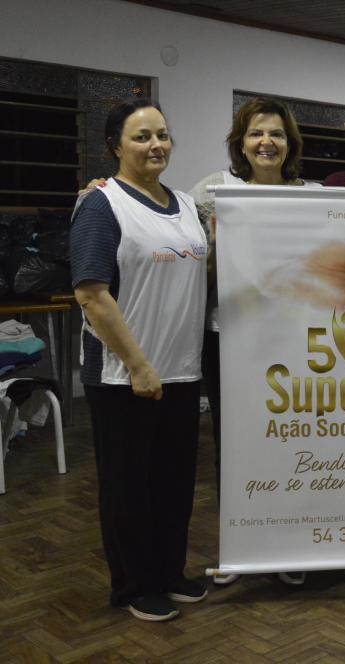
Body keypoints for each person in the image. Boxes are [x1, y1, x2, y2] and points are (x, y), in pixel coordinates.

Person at [71, 98, 208, 622]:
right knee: (128, 485)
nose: (156, 146)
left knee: (172, 481)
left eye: (162, 135)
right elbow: (91, 294)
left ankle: (169, 573)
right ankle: (132, 586)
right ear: (115, 146)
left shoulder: (186, 205)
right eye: (142, 137)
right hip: (122, 374)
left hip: (181, 368)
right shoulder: (102, 205)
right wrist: (137, 364)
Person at [188, 96, 321, 587]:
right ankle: (239, 544)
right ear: (240, 142)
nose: (267, 142)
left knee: (290, 443)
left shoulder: (309, 195)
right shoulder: (213, 192)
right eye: (257, 134)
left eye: (277, 135)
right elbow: (181, 249)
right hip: (229, 337)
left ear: (290, 144)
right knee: (234, 444)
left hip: (294, 341)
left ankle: (286, 545)